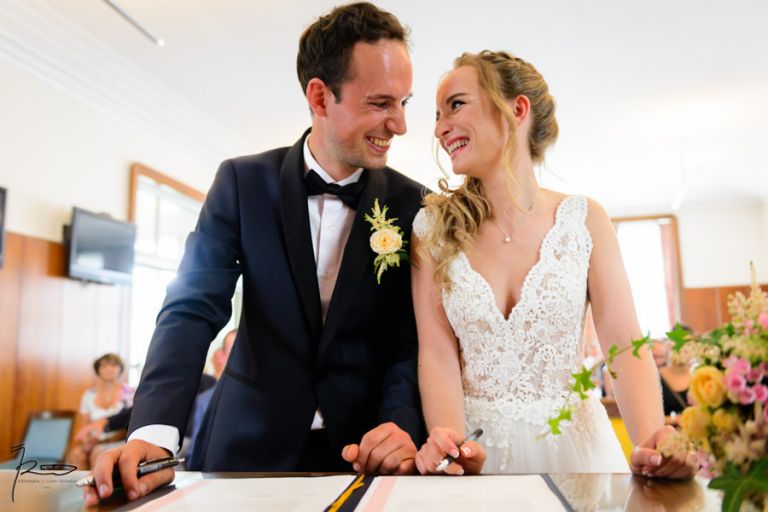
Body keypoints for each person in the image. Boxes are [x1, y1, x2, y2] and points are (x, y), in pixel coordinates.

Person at [85, 3, 425, 505]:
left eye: (404, 102)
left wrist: (400, 422)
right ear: (320, 96)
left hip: (364, 451)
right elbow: (191, 308)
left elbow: (409, 339)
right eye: (380, 103)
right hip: (245, 447)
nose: (399, 124)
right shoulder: (242, 183)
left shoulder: (413, 203)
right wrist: (153, 432)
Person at [411, 50, 696, 478]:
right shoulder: (432, 228)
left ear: (516, 110)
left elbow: (622, 343)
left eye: (455, 105)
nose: (439, 128)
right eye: (437, 115)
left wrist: (652, 446)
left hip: (576, 454)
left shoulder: (585, 220)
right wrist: (455, 450)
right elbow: (436, 354)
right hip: (479, 451)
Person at [67, 353, 133, 469]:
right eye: (104, 365)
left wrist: (104, 441)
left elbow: (129, 425)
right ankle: (83, 482)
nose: (109, 369)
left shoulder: (129, 393)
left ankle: (99, 481)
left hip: (119, 440)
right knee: (76, 454)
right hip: (93, 441)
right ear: (98, 369)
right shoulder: (88, 395)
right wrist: (87, 442)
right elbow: (84, 426)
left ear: (120, 369)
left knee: (99, 452)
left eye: (113, 365)